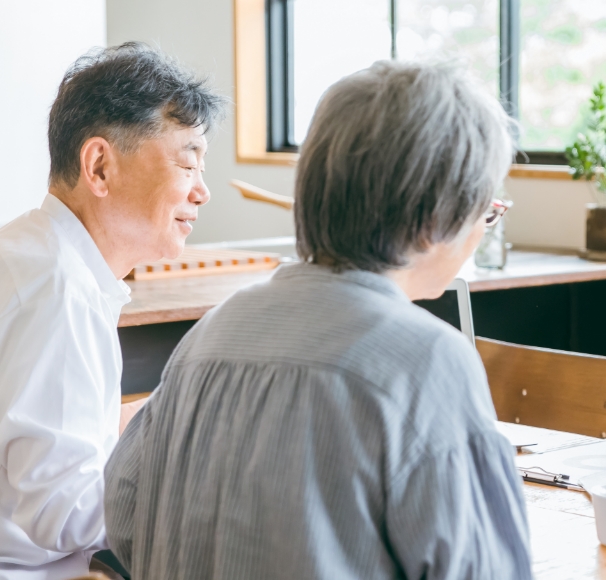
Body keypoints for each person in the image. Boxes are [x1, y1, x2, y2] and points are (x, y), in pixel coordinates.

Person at [103, 60, 532, 579]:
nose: (483, 228)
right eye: (486, 211)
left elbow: (125, 519)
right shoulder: (428, 361)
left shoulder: (211, 334)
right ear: (436, 220)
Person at [0, 43, 224, 578]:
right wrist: (201, 485)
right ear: (99, 165)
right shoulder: (60, 290)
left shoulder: (33, 252)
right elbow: (63, 511)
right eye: (188, 162)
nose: (204, 192)